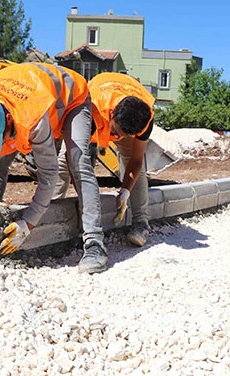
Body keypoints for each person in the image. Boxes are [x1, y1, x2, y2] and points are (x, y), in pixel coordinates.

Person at [0, 62, 108, 274]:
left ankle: (94, 244)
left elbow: (49, 175)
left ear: (9, 120)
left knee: (78, 161)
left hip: (72, 98)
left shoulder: (32, 118)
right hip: (23, 94)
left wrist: (28, 224)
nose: (0, 145)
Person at [54, 73, 155, 246]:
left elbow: (136, 160)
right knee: (64, 164)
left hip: (124, 107)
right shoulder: (90, 108)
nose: (117, 138)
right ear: (112, 114)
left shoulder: (143, 119)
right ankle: (52, 213)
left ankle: (141, 224)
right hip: (94, 109)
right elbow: (74, 159)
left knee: (137, 168)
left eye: (125, 136)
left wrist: (125, 191)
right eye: (115, 133)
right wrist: (86, 200)